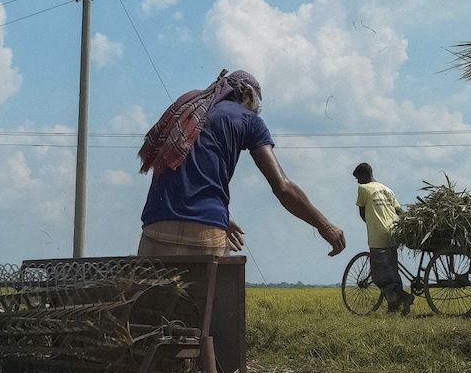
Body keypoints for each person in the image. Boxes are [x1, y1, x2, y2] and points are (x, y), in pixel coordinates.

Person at [137, 69, 345, 258]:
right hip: (204, 232)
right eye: (255, 107)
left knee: (150, 290)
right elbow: (283, 187)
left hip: (154, 227)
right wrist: (325, 226)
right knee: (218, 288)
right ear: (247, 94)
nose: (254, 112)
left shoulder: (192, 113)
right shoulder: (248, 120)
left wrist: (222, 218)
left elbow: (186, 171)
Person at [353, 163, 414, 315]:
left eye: (358, 178)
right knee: (392, 272)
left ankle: (404, 297)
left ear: (364, 175)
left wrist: (372, 223)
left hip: (378, 235)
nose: (357, 181)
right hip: (394, 233)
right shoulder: (387, 189)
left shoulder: (363, 188)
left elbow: (362, 213)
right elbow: (399, 211)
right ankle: (393, 306)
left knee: (379, 277)